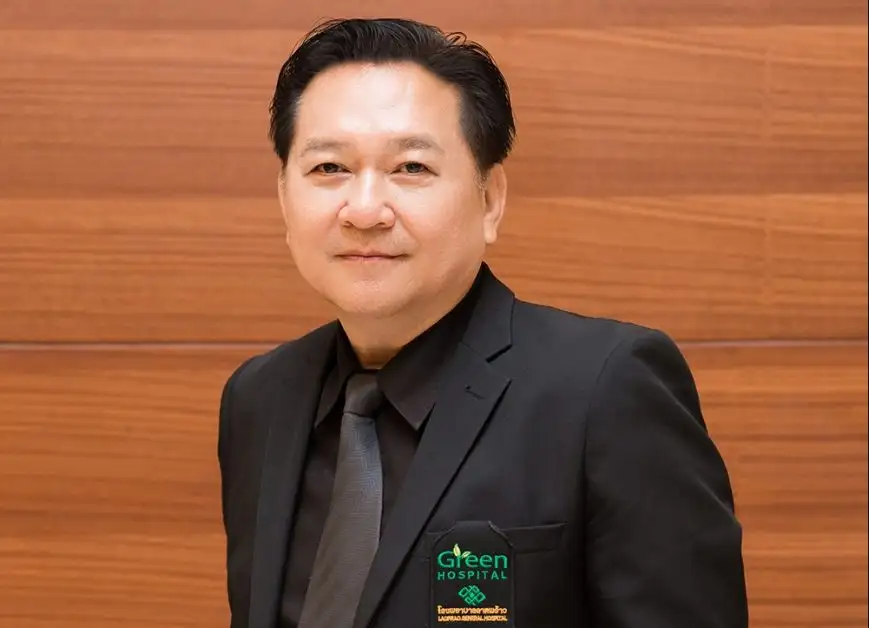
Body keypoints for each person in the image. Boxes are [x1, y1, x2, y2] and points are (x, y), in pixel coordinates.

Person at [217, 17, 749, 628]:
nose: (364, 210)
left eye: (411, 168)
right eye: (329, 168)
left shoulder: (605, 389)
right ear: (285, 199)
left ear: (490, 198)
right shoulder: (259, 399)